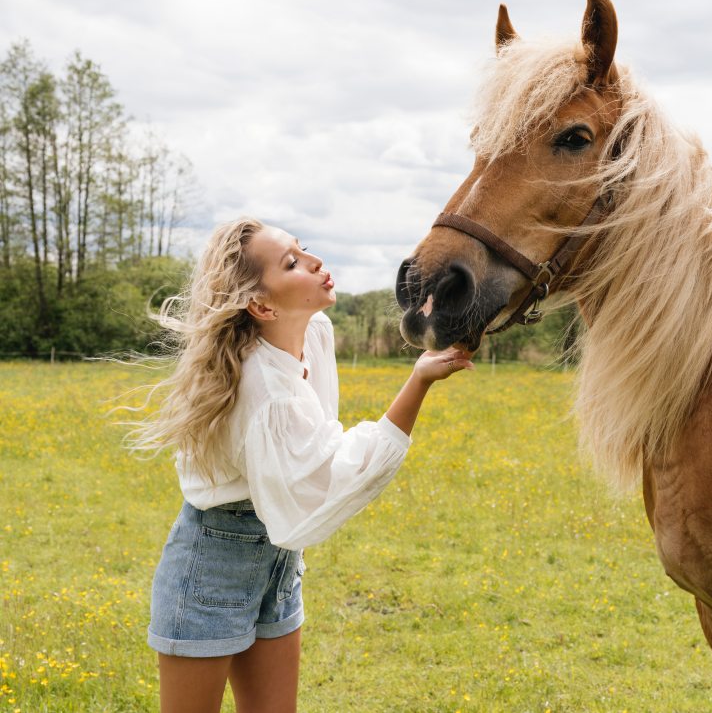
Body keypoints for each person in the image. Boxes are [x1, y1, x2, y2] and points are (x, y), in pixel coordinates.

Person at [129, 218, 472, 713]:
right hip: (213, 566)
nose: (314, 262)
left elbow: (317, 444)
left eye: (303, 249)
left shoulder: (315, 334)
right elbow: (331, 471)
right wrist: (416, 383)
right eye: (291, 263)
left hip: (278, 562)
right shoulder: (263, 389)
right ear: (263, 305)